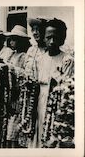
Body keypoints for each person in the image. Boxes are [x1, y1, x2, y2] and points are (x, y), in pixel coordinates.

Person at [33, 18, 74, 148]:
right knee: (39, 131)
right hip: (41, 99)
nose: (52, 41)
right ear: (44, 38)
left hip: (58, 102)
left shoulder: (67, 60)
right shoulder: (39, 59)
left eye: (55, 38)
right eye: (48, 37)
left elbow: (66, 86)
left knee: (53, 133)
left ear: (62, 39)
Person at [3, 25, 31, 148]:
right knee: (7, 124)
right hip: (9, 92)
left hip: (18, 93)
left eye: (15, 39)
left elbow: (25, 75)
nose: (12, 42)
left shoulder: (24, 56)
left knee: (14, 126)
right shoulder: (12, 55)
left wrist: (12, 69)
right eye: (11, 39)